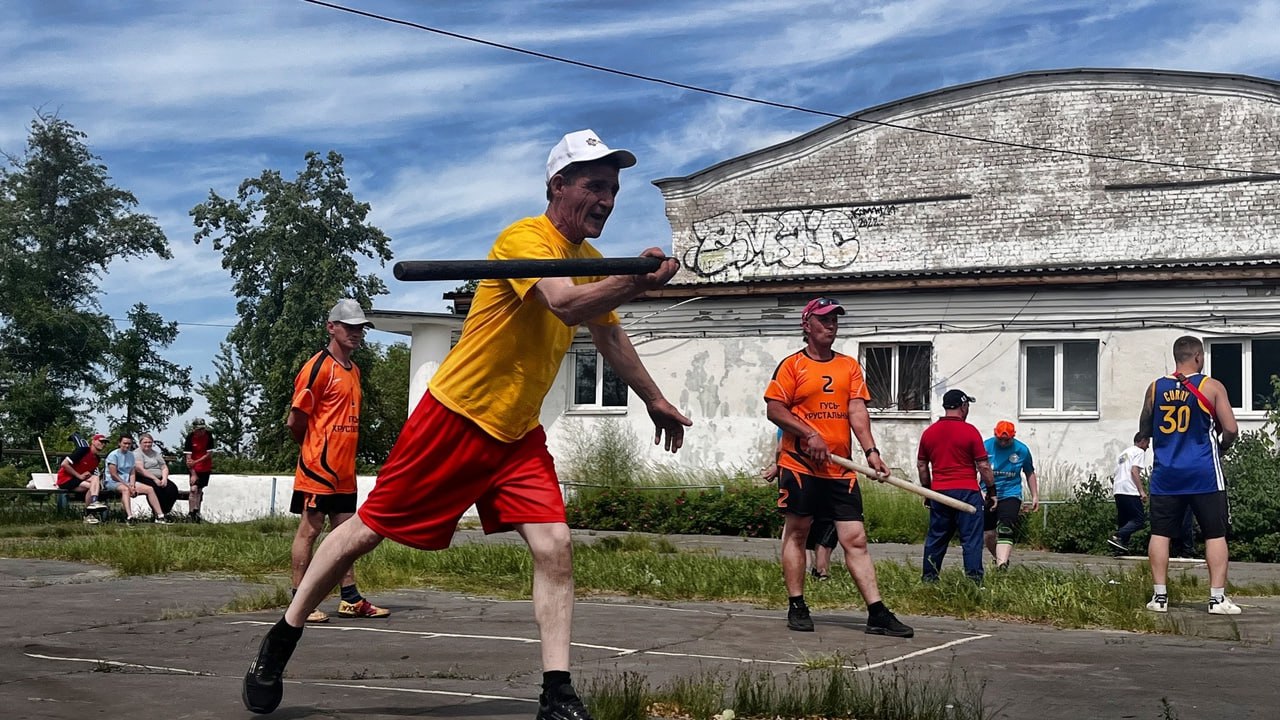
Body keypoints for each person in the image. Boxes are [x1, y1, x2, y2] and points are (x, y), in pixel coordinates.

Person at [242, 129, 692, 719]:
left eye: (612, 189)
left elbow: (605, 330)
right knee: (366, 530)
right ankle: (284, 633)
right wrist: (635, 280)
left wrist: (653, 398)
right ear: (558, 186)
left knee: (555, 546)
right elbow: (562, 304)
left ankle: (557, 693)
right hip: (456, 417)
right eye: (594, 186)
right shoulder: (523, 240)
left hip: (516, 434)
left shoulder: (588, 262)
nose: (606, 200)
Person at [764, 296, 913, 638]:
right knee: (798, 532)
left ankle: (877, 612)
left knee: (855, 538)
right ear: (807, 325)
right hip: (800, 465)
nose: (831, 325)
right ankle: (797, 604)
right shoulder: (792, 366)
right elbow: (775, 410)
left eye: (835, 320)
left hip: (839, 470)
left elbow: (857, 412)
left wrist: (871, 451)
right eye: (824, 319)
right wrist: (809, 433)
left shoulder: (848, 366)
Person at [286, 298, 389, 624]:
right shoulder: (318, 367)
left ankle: (350, 598)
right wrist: (313, 450)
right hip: (318, 468)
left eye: (360, 328)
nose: (356, 334)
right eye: (350, 327)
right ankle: (299, 598)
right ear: (332, 327)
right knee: (310, 529)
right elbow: (295, 421)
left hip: (345, 470)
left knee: (346, 535)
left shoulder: (354, 370)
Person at [1138, 335, 1239, 615]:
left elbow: (1144, 428)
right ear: (1198, 357)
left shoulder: (1155, 388)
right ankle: (1217, 600)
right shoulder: (1212, 387)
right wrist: (1221, 448)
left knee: (1160, 533)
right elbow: (1230, 428)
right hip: (1204, 472)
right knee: (1214, 534)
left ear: (1175, 358)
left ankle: (1159, 598)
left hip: (1166, 473)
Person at [917, 389, 995, 583]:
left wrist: (927, 490)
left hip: (940, 492)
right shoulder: (970, 431)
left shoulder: (929, 433)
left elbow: (921, 466)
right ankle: (974, 582)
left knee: (937, 537)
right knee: (971, 540)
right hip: (967, 492)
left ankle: (929, 579)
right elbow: (983, 466)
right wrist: (992, 491)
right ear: (963, 406)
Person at [983, 420, 1039, 569]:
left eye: (1006, 440)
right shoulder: (986, 446)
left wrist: (1035, 495)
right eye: (999, 439)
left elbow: (1029, 472)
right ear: (995, 435)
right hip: (987, 493)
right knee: (988, 534)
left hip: (1010, 493)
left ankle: (1002, 567)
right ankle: (999, 558)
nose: (1002, 443)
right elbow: (974, 470)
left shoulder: (1022, 450)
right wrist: (978, 490)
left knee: (1005, 527)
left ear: (1013, 437)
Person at [105, 434, 168, 524]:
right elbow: (114, 475)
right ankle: (129, 517)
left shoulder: (131, 455)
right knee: (125, 490)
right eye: (125, 443)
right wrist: (128, 486)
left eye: (129, 444)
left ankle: (160, 516)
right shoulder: (113, 455)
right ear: (119, 443)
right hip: (113, 481)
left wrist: (132, 485)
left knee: (149, 489)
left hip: (127, 481)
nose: (127, 445)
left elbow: (132, 472)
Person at [1107, 433, 1150, 555]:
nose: (1148, 447)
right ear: (1142, 441)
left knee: (1125, 521)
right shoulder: (1139, 452)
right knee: (1139, 519)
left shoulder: (1124, 453)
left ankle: (1120, 548)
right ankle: (1117, 536)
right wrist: (1141, 491)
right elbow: (1134, 471)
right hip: (1129, 490)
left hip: (1118, 489)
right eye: (1147, 443)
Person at [56, 433, 109, 524]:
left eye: (105, 443)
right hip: (66, 479)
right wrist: (79, 476)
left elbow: (89, 474)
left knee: (93, 484)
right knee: (93, 484)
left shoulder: (97, 459)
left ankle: (89, 513)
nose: (103, 444)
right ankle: (92, 505)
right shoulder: (83, 450)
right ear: (93, 441)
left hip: (79, 480)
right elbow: (64, 464)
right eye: (101, 441)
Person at [134, 432, 180, 517]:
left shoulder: (155, 454)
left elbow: (164, 467)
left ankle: (165, 510)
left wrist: (165, 479)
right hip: (144, 477)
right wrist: (155, 479)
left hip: (160, 477)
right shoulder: (137, 453)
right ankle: (158, 513)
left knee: (172, 488)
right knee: (156, 489)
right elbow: (140, 469)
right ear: (140, 443)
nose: (147, 444)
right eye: (145, 442)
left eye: (150, 442)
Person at [182, 418, 214, 522]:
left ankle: (197, 512)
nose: (201, 431)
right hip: (193, 468)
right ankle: (191, 512)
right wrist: (193, 473)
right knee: (193, 489)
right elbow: (188, 458)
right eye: (199, 429)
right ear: (194, 429)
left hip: (205, 467)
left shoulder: (208, 435)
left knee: (199, 490)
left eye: (202, 429)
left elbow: (209, 454)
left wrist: (197, 461)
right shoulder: (190, 437)